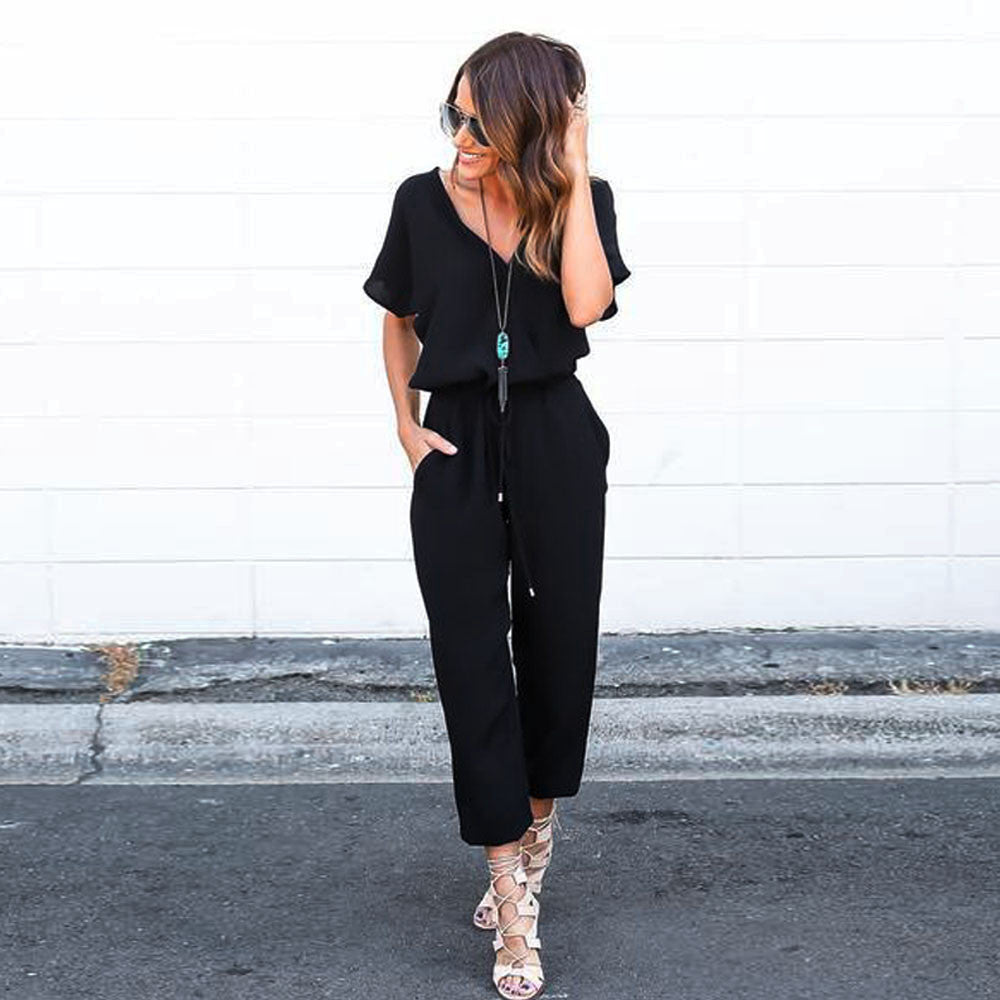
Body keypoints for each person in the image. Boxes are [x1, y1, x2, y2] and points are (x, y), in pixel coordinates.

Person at [362, 31, 630, 1000]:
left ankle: (536, 829)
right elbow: (397, 318)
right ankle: (511, 893)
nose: (462, 138)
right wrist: (405, 424)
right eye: (454, 114)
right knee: (471, 662)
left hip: (559, 438)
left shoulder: (579, 201)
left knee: (558, 648)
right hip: (459, 442)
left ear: (532, 125)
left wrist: (575, 168)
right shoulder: (418, 200)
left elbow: (588, 307)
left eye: (483, 123)